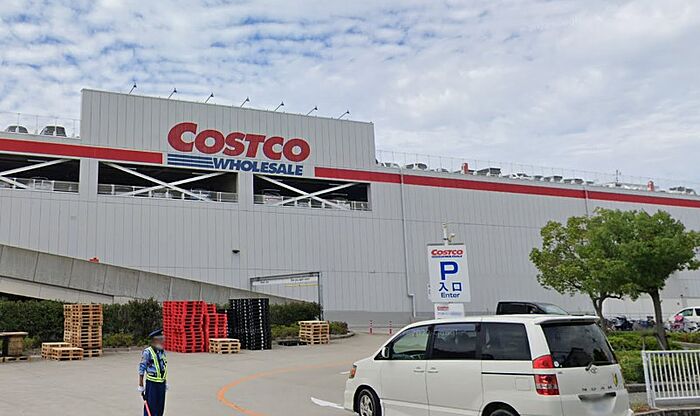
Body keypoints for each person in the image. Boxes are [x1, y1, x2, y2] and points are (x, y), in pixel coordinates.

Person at [138, 329, 168, 416]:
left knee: (160, 407)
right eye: (160, 339)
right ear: (155, 341)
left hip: (161, 383)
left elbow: (163, 367)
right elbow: (141, 369)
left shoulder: (161, 351)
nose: (162, 341)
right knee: (151, 408)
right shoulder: (147, 352)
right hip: (152, 384)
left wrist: (165, 381)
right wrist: (141, 385)